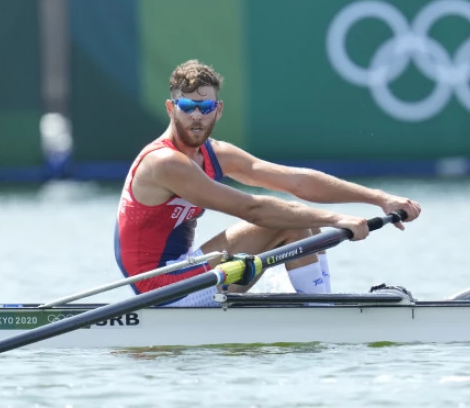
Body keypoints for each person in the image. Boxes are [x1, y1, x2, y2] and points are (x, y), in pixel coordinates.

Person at [116, 60, 421, 306]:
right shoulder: (164, 163)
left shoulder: (215, 154)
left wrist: (379, 198)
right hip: (158, 290)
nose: (196, 116)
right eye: (187, 107)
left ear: (218, 111)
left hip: (187, 270)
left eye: (205, 108)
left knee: (300, 220)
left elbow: (297, 181)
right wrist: (336, 218)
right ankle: (323, 312)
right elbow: (254, 209)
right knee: (287, 221)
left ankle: (319, 305)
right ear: (171, 109)